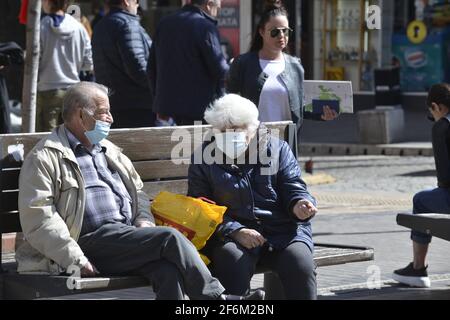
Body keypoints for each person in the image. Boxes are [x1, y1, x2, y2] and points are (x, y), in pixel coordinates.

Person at [16, 82, 264, 301]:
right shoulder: (46, 157)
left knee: (168, 271)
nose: (111, 118)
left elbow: (138, 192)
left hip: (126, 238)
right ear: (81, 116)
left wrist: (144, 219)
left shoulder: (108, 150)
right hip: (86, 245)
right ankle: (217, 298)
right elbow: (39, 218)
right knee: (169, 238)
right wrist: (75, 258)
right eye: (104, 112)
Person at [188, 94, 318, 300]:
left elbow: (293, 186)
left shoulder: (278, 149)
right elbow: (201, 207)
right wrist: (235, 230)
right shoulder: (204, 157)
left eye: (237, 129)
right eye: (223, 130)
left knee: (300, 264)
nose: (230, 134)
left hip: (282, 231)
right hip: (233, 236)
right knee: (230, 259)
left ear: (253, 127)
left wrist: (299, 204)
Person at [226, 1, 338, 131]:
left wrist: (322, 114)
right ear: (262, 32)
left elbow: (300, 107)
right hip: (252, 142)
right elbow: (229, 102)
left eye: (285, 31)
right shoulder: (243, 63)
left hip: (286, 144)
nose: (281, 36)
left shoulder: (295, 66)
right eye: (275, 32)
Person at [393, 83, 450, 288]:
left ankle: (418, 269)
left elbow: (445, 177)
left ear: (436, 106)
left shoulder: (442, 126)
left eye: (431, 112)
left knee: (421, 200)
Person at [148, 0, 229, 126]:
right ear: (209, 4)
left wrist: (158, 102)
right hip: (198, 112)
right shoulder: (205, 27)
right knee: (194, 145)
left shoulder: (164, 23)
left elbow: (151, 68)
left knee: (173, 146)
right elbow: (220, 69)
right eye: (217, 9)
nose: (216, 14)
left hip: (167, 113)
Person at [92, 0, 155, 128]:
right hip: (137, 107)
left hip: (112, 105)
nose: (138, 5)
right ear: (126, 2)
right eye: (136, 1)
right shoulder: (128, 24)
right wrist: (158, 87)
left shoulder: (100, 26)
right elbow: (138, 67)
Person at [37, 0, 93, 132]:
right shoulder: (79, 27)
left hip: (47, 90)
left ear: (48, 2)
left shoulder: (41, 27)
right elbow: (88, 63)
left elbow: (34, 60)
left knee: (47, 138)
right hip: (73, 91)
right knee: (71, 136)